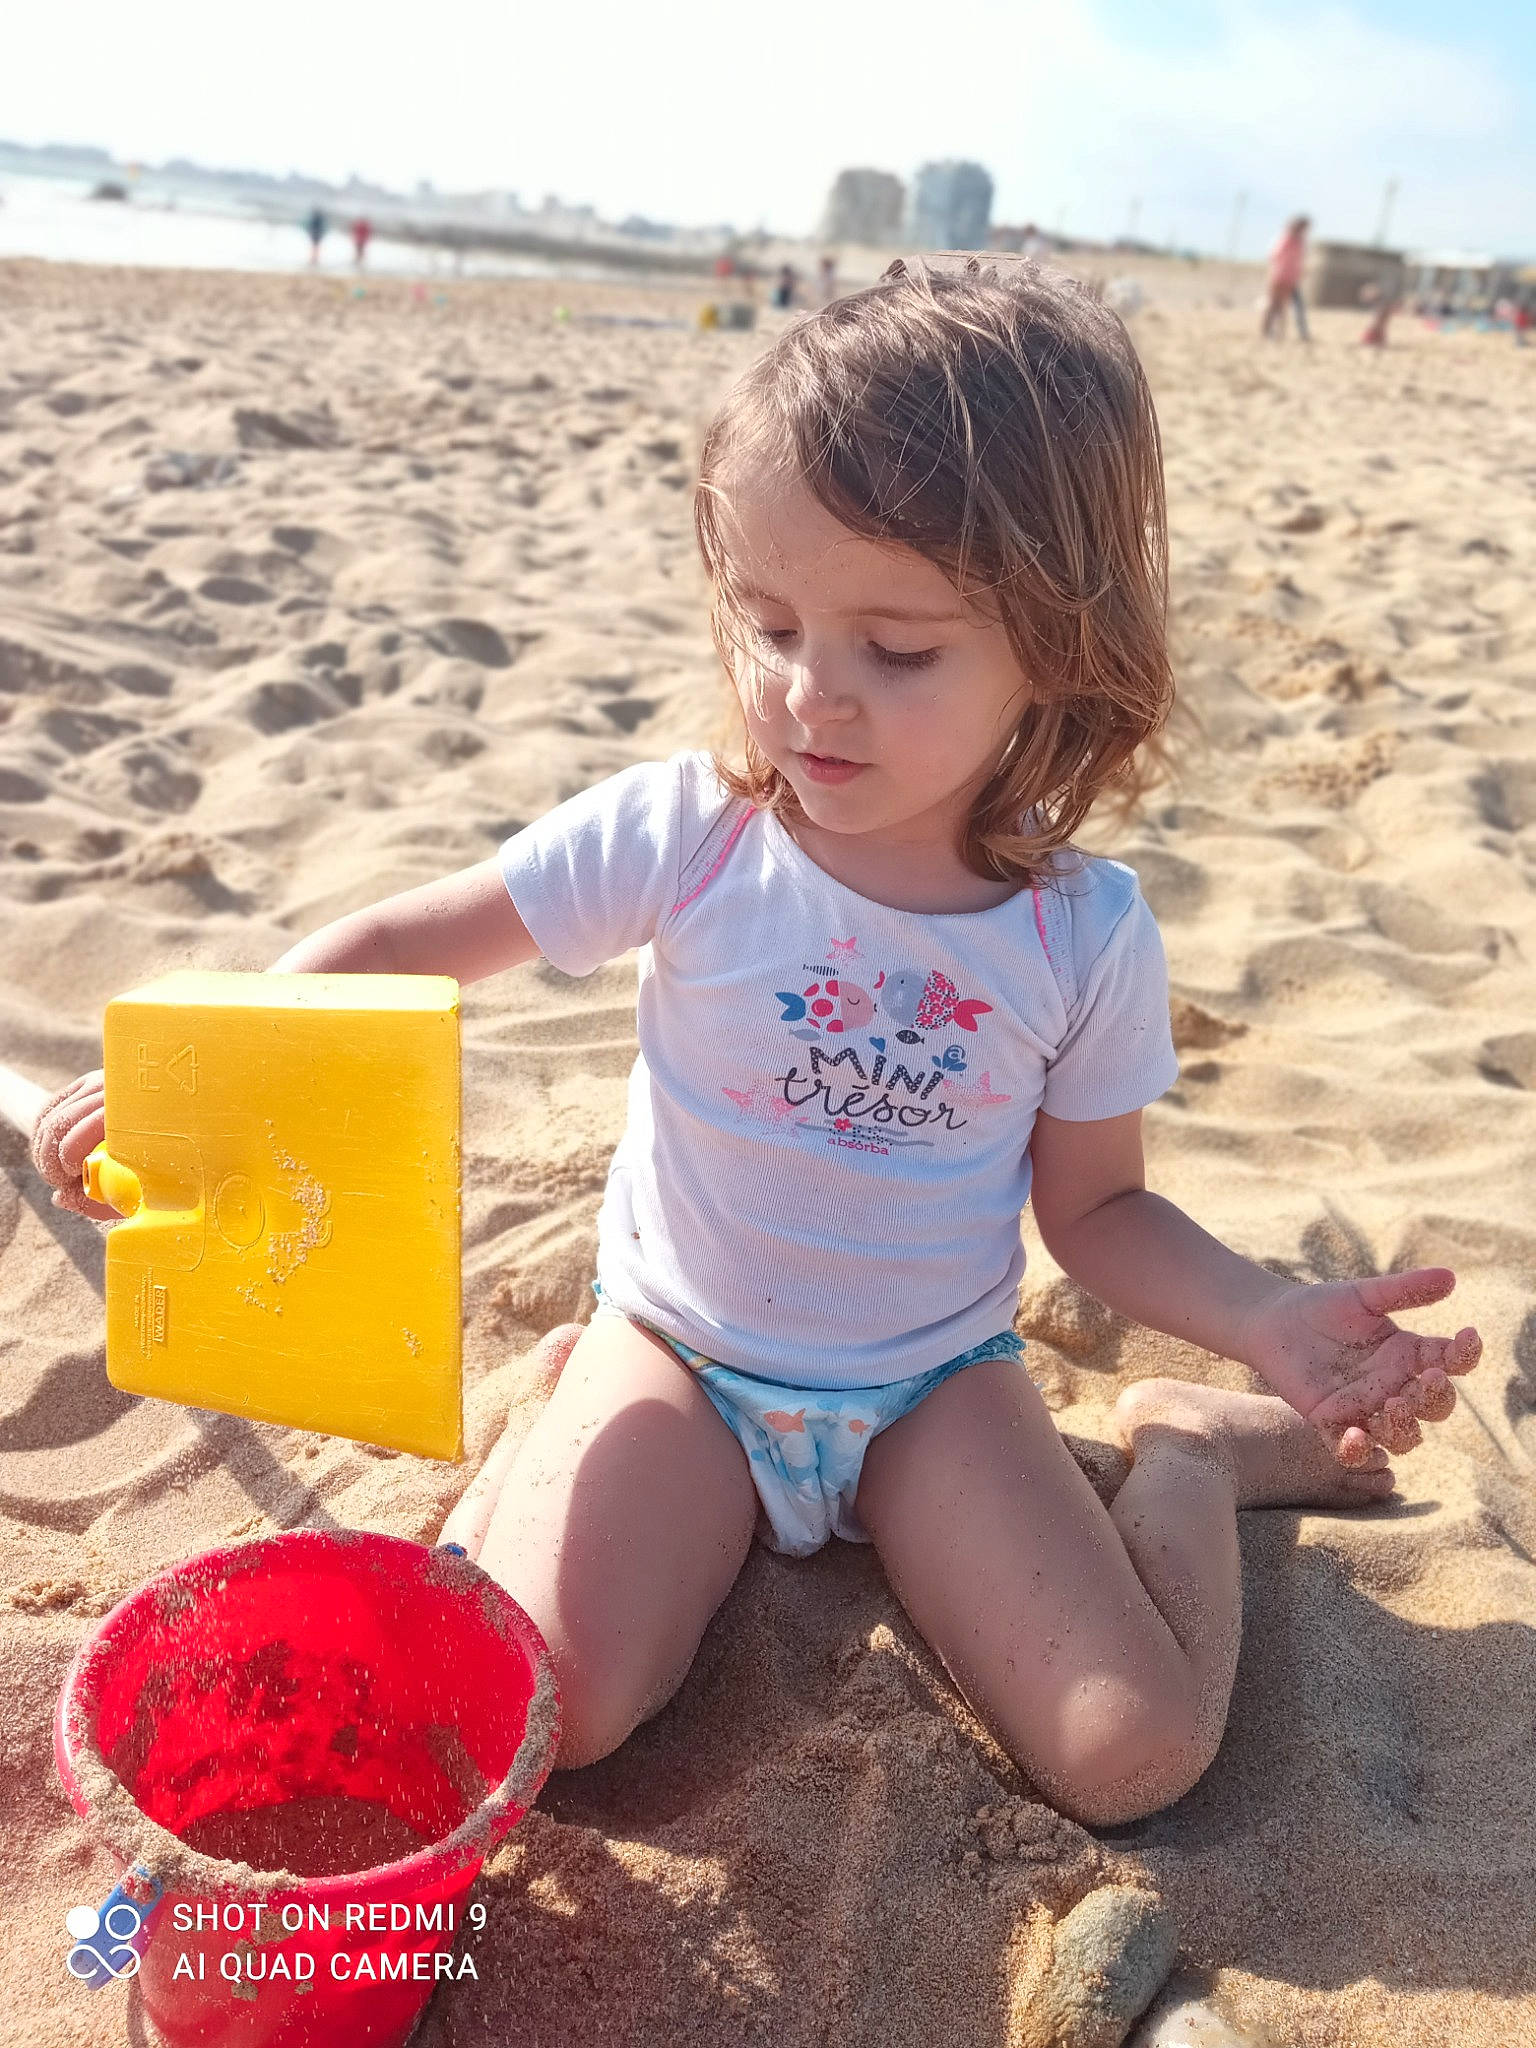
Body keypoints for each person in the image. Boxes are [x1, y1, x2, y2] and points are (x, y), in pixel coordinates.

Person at [31, 257, 1481, 1825]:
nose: (808, 696)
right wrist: (209, 1083)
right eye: (767, 620)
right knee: (546, 1711)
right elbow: (404, 943)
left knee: (1131, 1754)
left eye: (898, 650)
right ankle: (580, 1381)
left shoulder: (1080, 932)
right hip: (685, 1357)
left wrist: (1263, 1319)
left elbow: (1098, 1212)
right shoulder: (694, 837)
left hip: (936, 1389)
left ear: (1057, 646)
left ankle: (1192, 1455)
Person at [1262, 214, 1310, 340]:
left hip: (1290, 277)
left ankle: (1279, 334)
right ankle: (1267, 332)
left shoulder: (1299, 242)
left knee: (1281, 306)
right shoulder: (1286, 239)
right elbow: (1274, 255)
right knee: (1274, 305)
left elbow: (1299, 260)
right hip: (1280, 275)